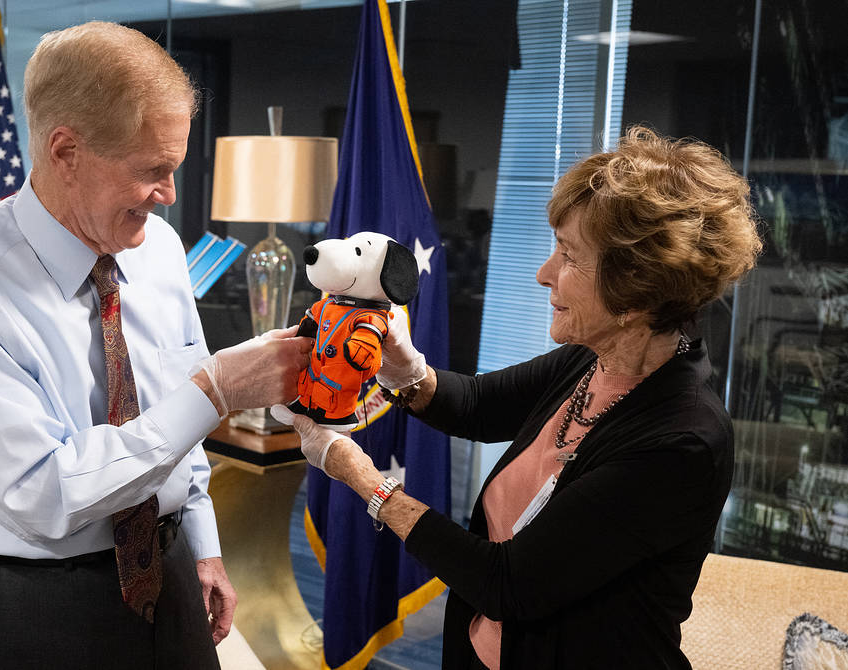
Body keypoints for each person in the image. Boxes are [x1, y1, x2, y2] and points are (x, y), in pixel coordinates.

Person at [0, 21, 311, 669]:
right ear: (65, 152)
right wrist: (220, 389)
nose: (169, 194)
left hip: (171, 569)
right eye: (153, 170)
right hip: (35, 607)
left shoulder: (162, 250)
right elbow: (47, 496)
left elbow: (176, 423)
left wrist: (202, 544)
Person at [282, 126, 762, 669]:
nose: (543, 274)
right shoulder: (595, 356)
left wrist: (361, 478)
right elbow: (481, 405)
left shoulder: (681, 441)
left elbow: (506, 582)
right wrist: (404, 368)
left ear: (636, 291)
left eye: (569, 257)